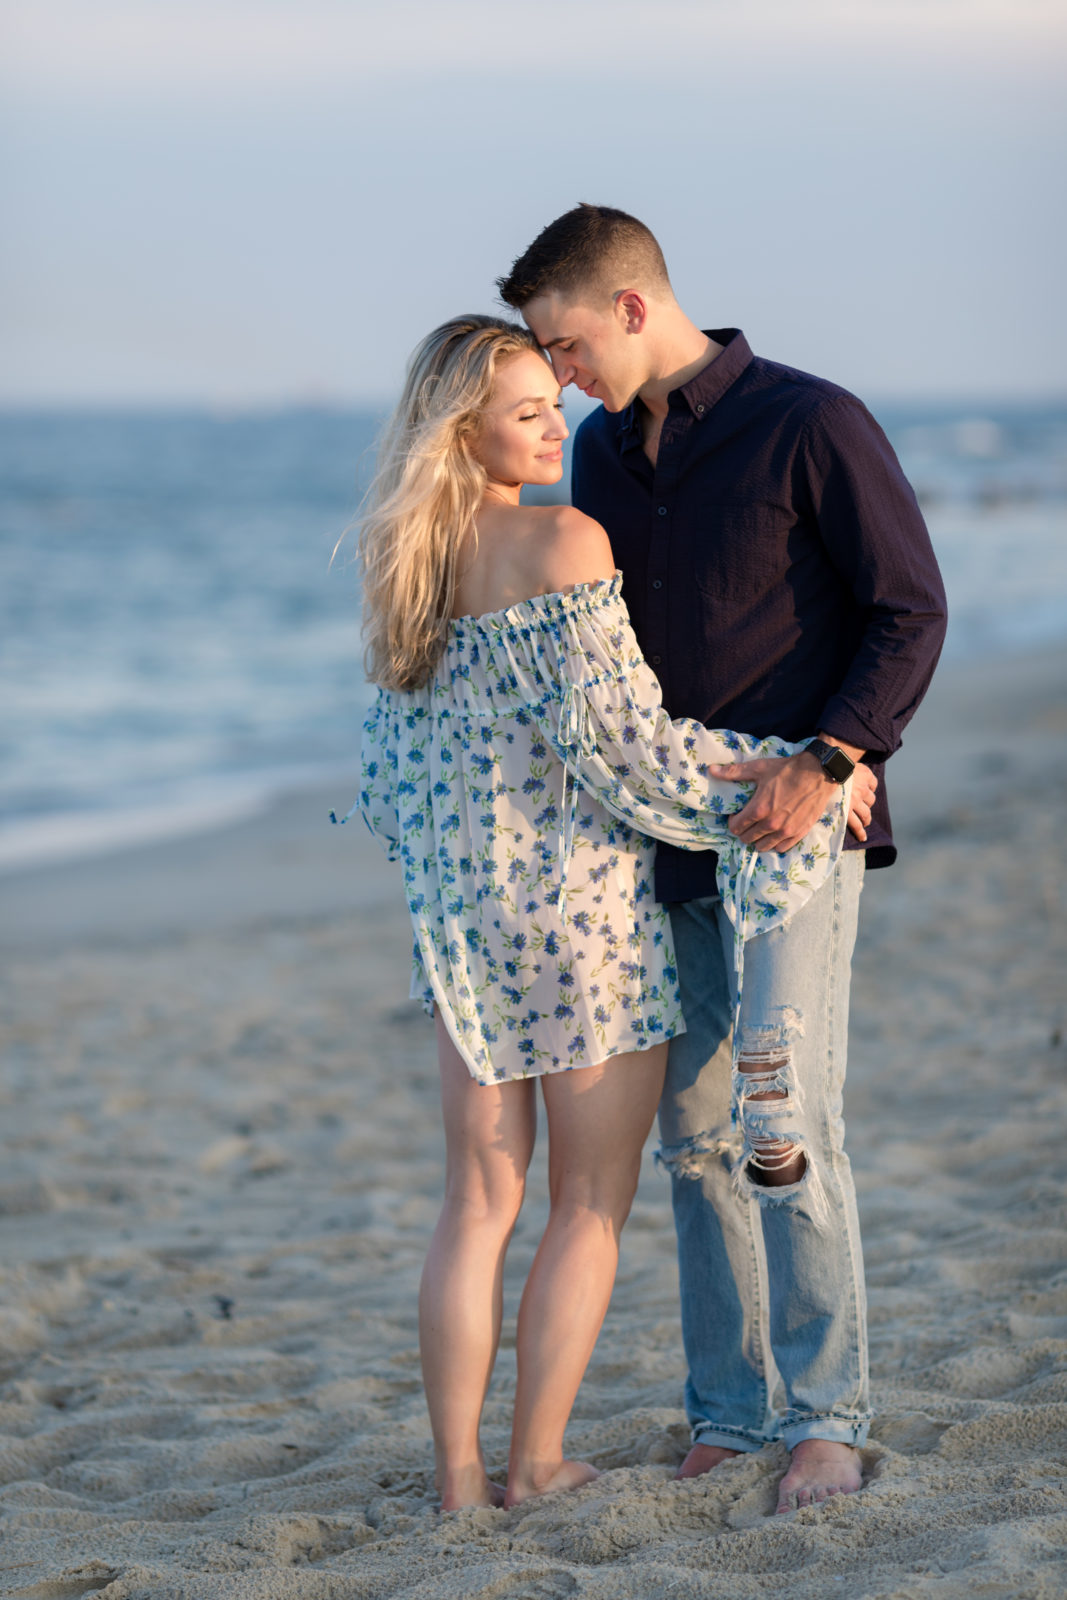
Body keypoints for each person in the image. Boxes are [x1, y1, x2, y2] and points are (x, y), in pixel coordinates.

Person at [341, 314, 878, 1512]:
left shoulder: (406, 573)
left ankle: (457, 1481)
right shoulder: (564, 540)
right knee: (587, 1205)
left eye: (553, 398)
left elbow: (393, 779)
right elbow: (629, 755)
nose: (557, 422)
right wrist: (795, 764)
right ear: (462, 428)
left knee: (473, 1204)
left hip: (465, 932)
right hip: (583, 924)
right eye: (528, 407)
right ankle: (534, 1463)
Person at [497, 204, 948, 1514]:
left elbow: (905, 611)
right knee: (689, 1140)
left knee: (778, 1125)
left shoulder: (811, 423)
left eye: (566, 343)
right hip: (653, 845)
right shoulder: (595, 459)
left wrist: (830, 758)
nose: (559, 375)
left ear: (632, 307)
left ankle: (822, 1417)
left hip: (790, 835)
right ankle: (731, 1413)